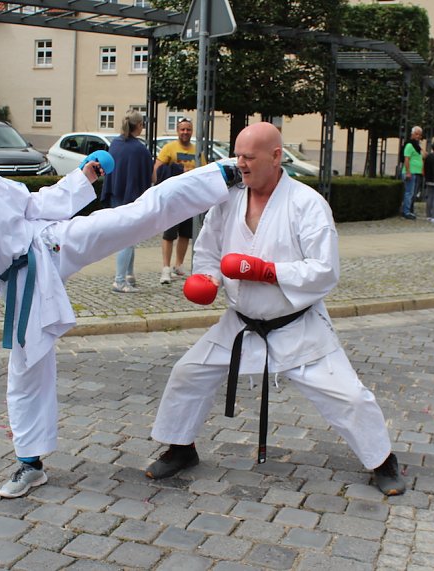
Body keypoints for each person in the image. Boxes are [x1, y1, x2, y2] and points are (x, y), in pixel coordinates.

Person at [0, 129, 239, 498]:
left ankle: (224, 174)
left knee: (133, 217)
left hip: (50, 242)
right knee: (26, 368)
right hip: (19, 282)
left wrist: (82, 177)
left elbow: (35, 205)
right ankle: (30, 463)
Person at [146, 122, 406, 497]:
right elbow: (208, 249)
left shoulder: (307, 203)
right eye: (238, 155)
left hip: (298, 327)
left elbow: (325, 269)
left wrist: (269, 272)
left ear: (276, 156)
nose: (241, 164)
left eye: (249, 157)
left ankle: (383, 461)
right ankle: (181, 448)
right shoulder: (230, 198)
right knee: (188, 373)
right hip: (240, 324)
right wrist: (208, 279)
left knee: (348, 397)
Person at [100, 110, 151, 293]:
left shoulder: (115, 144)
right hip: (131, 199)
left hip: (116, 196)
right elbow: (146, 176)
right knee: (128, 239)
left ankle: (129, 275)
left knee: (129, 237)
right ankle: (120, 281)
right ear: (138, 126)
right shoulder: (139, 149)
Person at [153, 117, 204, 284]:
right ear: (177, 131)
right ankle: (165, 268)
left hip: (189, 199)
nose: (185, 132)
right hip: (172, 199)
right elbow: (157, 171)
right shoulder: (169, 148)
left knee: (185, 234)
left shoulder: (197, 151)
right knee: (169, 234)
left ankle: (178, 265)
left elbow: (204, 172)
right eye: (182, 129)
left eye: (188, 129)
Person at [400, 126, 423, 220]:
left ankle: (409, 210)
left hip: (416, 172)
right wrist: (408, 172)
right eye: (416, 134)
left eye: (420, 134)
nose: (418, 136)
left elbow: (423, 154)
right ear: (412, 134)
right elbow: (406, 159)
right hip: (410, 172)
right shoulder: (409, 145)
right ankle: (406, 212)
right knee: (409, 193)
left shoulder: (417, 146)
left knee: (412, 193)